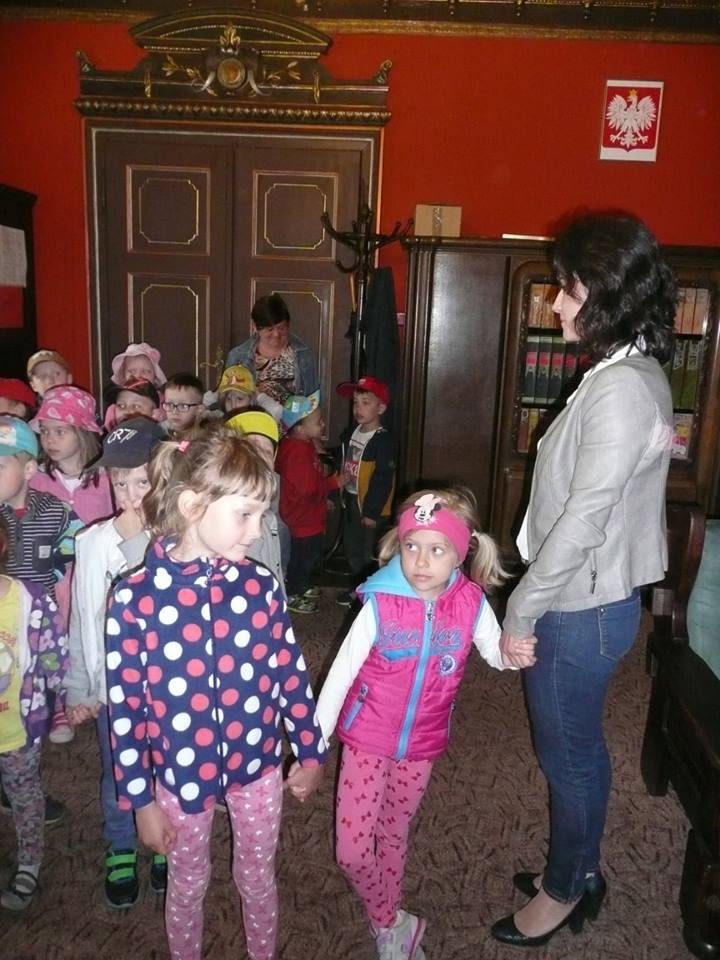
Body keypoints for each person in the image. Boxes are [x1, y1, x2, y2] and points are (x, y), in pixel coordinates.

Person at [491, 213, 677, 948]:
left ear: (603, 292)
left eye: (566, 289)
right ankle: (581, 867)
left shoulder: (622, 387)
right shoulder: (625, 370)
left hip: (580, 607)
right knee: (579, 749)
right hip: (591, 601)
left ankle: (567, 889)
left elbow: (583, 522)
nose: (555, 302)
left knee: (567, 756)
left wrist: (521, 609)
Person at [104, 424, 326, 960]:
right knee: (187, 883)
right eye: (244, 514)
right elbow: (125, 713)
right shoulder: (134, 600)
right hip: (179, 775)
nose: (258, 530)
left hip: (258, 765)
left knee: (258, 876)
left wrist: (311, 750)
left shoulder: (260, 585)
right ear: (192, 505)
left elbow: (289, 673)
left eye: (261, 514)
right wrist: (140, 801)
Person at [316, 487, 536, 960]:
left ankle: (388, 923)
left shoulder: (471, 602)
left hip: (423, 744)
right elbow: (340, 675)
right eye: (412, 545)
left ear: (461, 553)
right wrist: (314, 744)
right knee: (352, 851)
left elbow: (494, 653)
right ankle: (389, 919)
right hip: (367, 739)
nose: (420, 560)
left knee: (394, 833)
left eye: (437, 549)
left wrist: (513, 654)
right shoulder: (381, 602)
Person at [65, 417, 166, 909]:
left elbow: (165, 606)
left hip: (168, 693)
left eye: (141, 482)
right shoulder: (90, 543)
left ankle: (166, 839)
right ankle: (121, 843)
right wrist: (79, 687)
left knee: (166, 772)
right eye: (119, 482)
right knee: (118, 773)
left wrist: (138, 542)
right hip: (113, 693)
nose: (129, 495)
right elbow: (81, 619)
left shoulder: (177, 543)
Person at [0, 416, 80, 825]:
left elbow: (76, 542)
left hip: (38, 624)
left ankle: (20, 781)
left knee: (28, 702)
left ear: (29, 468)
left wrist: (57, 572)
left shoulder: (54, 510)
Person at [28, 385, 112, 743]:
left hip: (95, 577)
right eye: (45, 431)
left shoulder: (106, 479)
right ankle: (58, 700)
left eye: (60, 431)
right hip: (53, 578)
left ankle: (95, 692)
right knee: (53, 637)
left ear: (82, 432)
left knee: (91, 635)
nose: (50, 439)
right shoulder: (37, 479)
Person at [0, 517, 68, 912]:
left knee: (24, 795)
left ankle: (30, 860)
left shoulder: (30, 599)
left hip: (18, 727)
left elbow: (54, 653)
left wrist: (66, 698)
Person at [275, 391, 343, 614]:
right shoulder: (297, 452)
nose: (323, 424)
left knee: (307, 555)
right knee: (304, 557)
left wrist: (322, 499)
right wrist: (333, 483)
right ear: (299, 428)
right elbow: (307, 489)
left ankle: (301, 584)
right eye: (318, 422)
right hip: (303, 517)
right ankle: (293, 592)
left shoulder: (301, 445)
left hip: (306, 513)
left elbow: (310, 483)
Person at [336, 375, 397, 605]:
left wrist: (372, 511)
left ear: (380, 408)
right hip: (352, 500)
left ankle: (373, 591)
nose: (358, 408)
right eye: (355, 402)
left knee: (369, 552)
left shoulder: (383, 441)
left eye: (365, 403)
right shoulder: (352, 433)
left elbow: (382, 479)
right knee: (352, 547)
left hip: (372, 508)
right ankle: (358, 588)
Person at [226, 407, 288, 593]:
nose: (259, 455)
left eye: (267, 451)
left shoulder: (269, 517)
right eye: (250, 447)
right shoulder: (222, 514)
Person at [225, 293, 318, 406]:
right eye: (269, 329)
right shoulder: (238, 356)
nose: (276, 334)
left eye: (281, 328)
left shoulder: (303, 354)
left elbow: (312, 400)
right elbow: (228, 399)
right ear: (255, 326)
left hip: (294, 417)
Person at [161, 373, 206, 438]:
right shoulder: (159, 433)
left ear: (199, 409)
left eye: (182, 406)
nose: (174, 412)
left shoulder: (208, 438)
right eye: (169, 404)